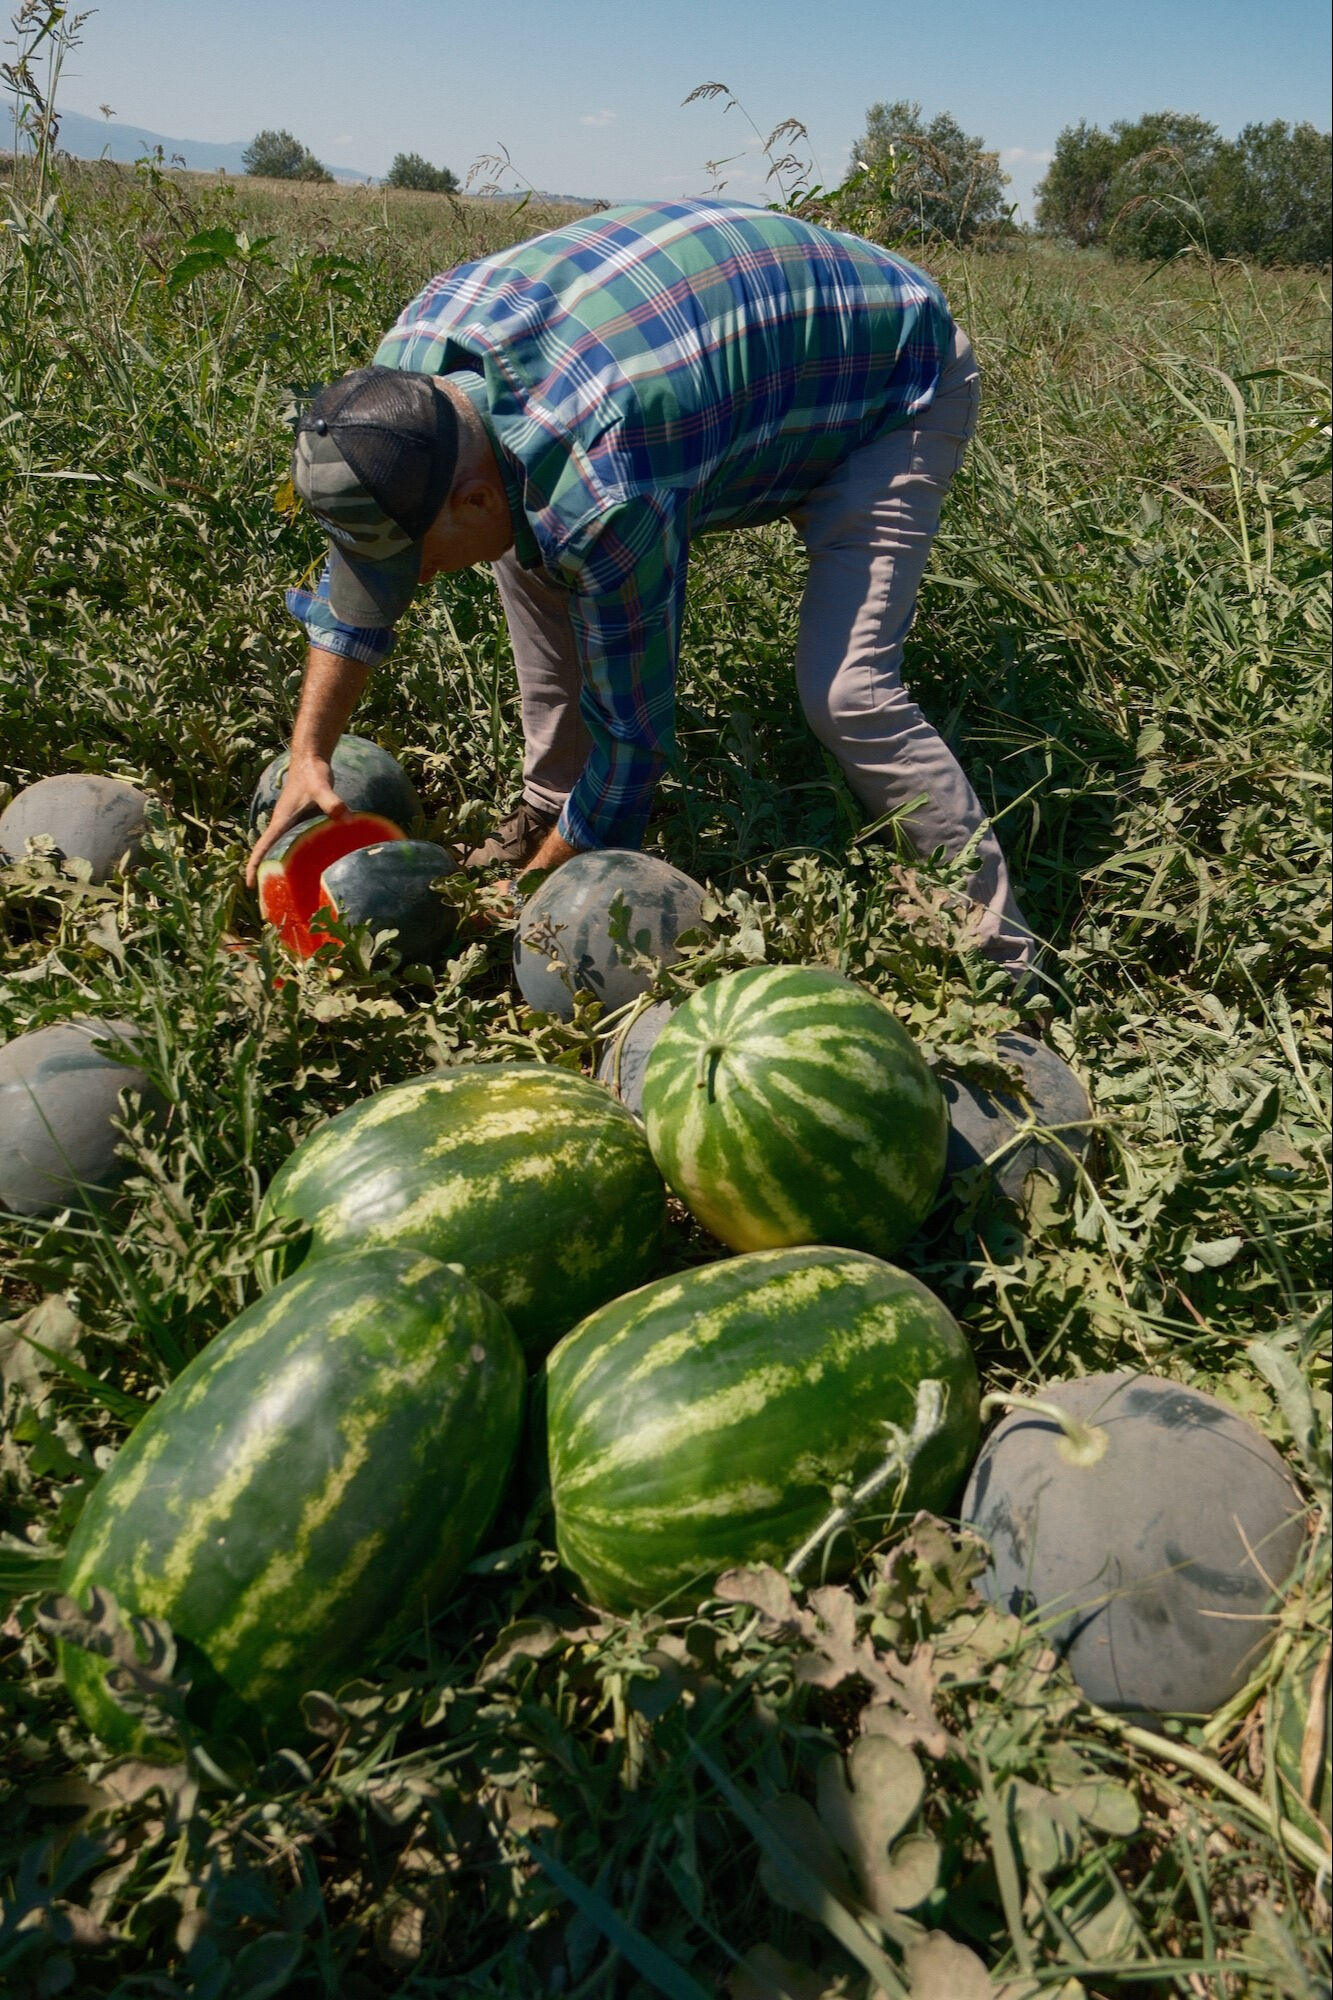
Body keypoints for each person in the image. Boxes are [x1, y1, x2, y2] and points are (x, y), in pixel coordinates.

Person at [245, 198, 1033, 977]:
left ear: (473, 497)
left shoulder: (603, 488)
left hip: (888, 374)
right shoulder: (397, 393)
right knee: (526, 549)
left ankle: (1003, 958)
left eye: (412, 557)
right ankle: (550, 800)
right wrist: (309, 754)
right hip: (732, 364)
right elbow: (354, 587)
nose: (411, 580)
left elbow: (633, 747)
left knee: (848, 691)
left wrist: (516, 904)